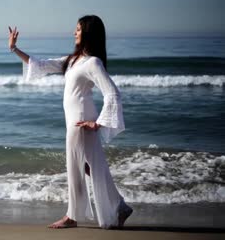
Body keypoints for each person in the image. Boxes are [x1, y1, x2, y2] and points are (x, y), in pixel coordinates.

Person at [8, 15, 133, 229]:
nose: (74, 33)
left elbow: (112, 93)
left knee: (76, 167)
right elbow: (42, 65)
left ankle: (72, 216)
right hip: (75, 120)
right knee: (91, 167)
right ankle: (120, 206)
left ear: (88, 33)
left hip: (81, 121)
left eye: (78, 29)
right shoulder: (73, 60)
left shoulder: (93, 62)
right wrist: (14, 49)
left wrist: (98, 123)